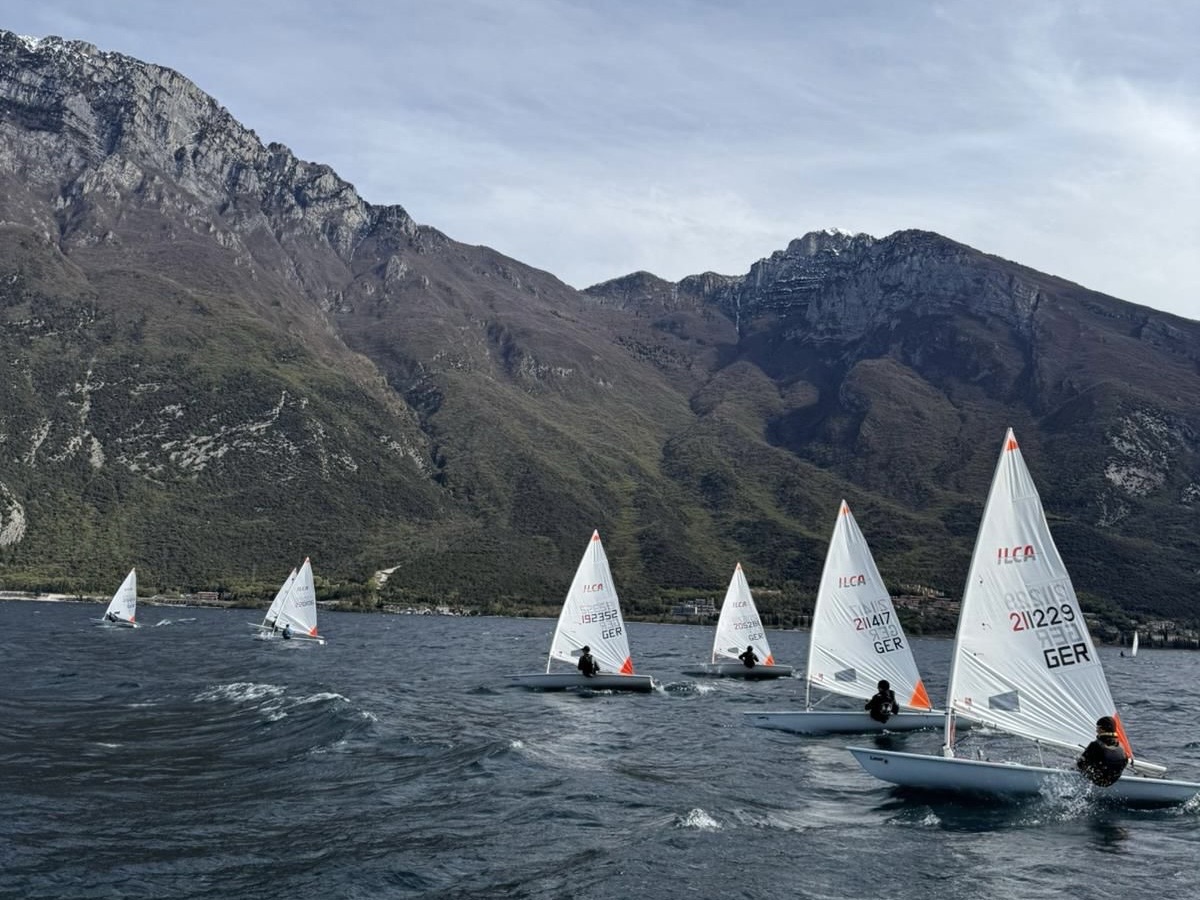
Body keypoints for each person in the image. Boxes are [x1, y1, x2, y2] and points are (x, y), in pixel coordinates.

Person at [1076, 716, 1129, 787]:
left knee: (1079, 763)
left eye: (1098, 728)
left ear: (1103, 730)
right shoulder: (1121, 746)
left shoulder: (1095, 745)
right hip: (1114, 779)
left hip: (1099, 781)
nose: (1096, 730)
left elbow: (1080, 764)